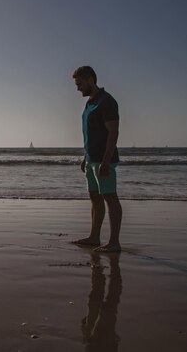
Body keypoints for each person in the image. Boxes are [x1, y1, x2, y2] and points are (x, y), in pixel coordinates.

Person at [72, 66, 122, 252]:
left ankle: (114, 242)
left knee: (110, 197)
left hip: (103, 160)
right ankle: (94, 237)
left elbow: (113, 132)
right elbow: (90, 133)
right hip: (92, 158)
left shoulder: (106, 101)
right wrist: (86, 157)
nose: (78, 89)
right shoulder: (90, 102)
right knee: (95, 198)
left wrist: (106, 161)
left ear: (90, 80)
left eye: (80, 84)